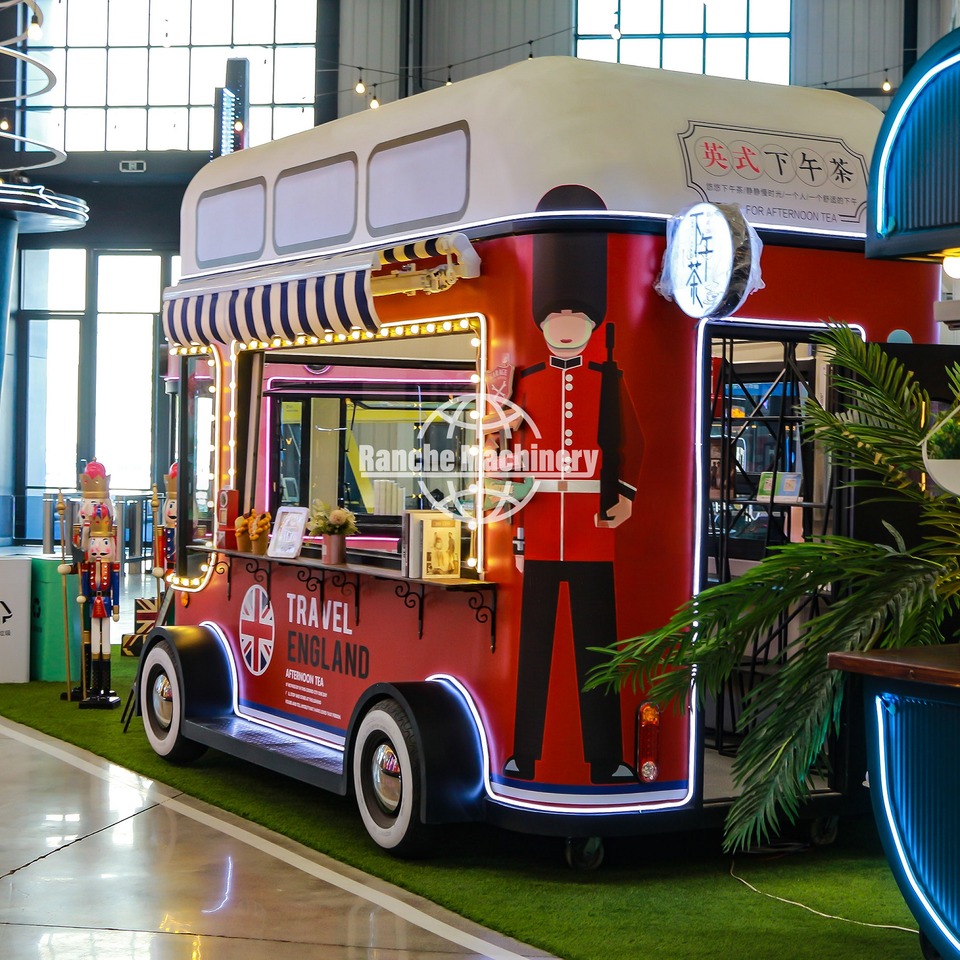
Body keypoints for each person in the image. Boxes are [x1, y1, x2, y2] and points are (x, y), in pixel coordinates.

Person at [503, 184, 644, 785]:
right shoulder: (527, 381)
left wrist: (624, 497)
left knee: (597, 650)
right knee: (534, 650)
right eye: (555, 318)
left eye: (577, 318)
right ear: (542, 323)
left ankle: (606, 760)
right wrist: (516, 532)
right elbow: (512, 460)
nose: (565, 327)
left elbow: (634, 443)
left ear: (592, 324)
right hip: (539, 534)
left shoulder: (609, 379)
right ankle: (525, 754)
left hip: (592, 535)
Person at [77, 514, 121, 708]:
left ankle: (106, 686)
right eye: (94, 542)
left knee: (106, 644)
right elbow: (84, 582)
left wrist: (116, 607)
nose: (98, 548)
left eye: (104, 542)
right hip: (93, 603)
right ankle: (95, 688)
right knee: (95, 642)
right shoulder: (89, 567)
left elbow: (116, 587)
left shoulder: (113, 567)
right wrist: (83, 595)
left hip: (106, 603)